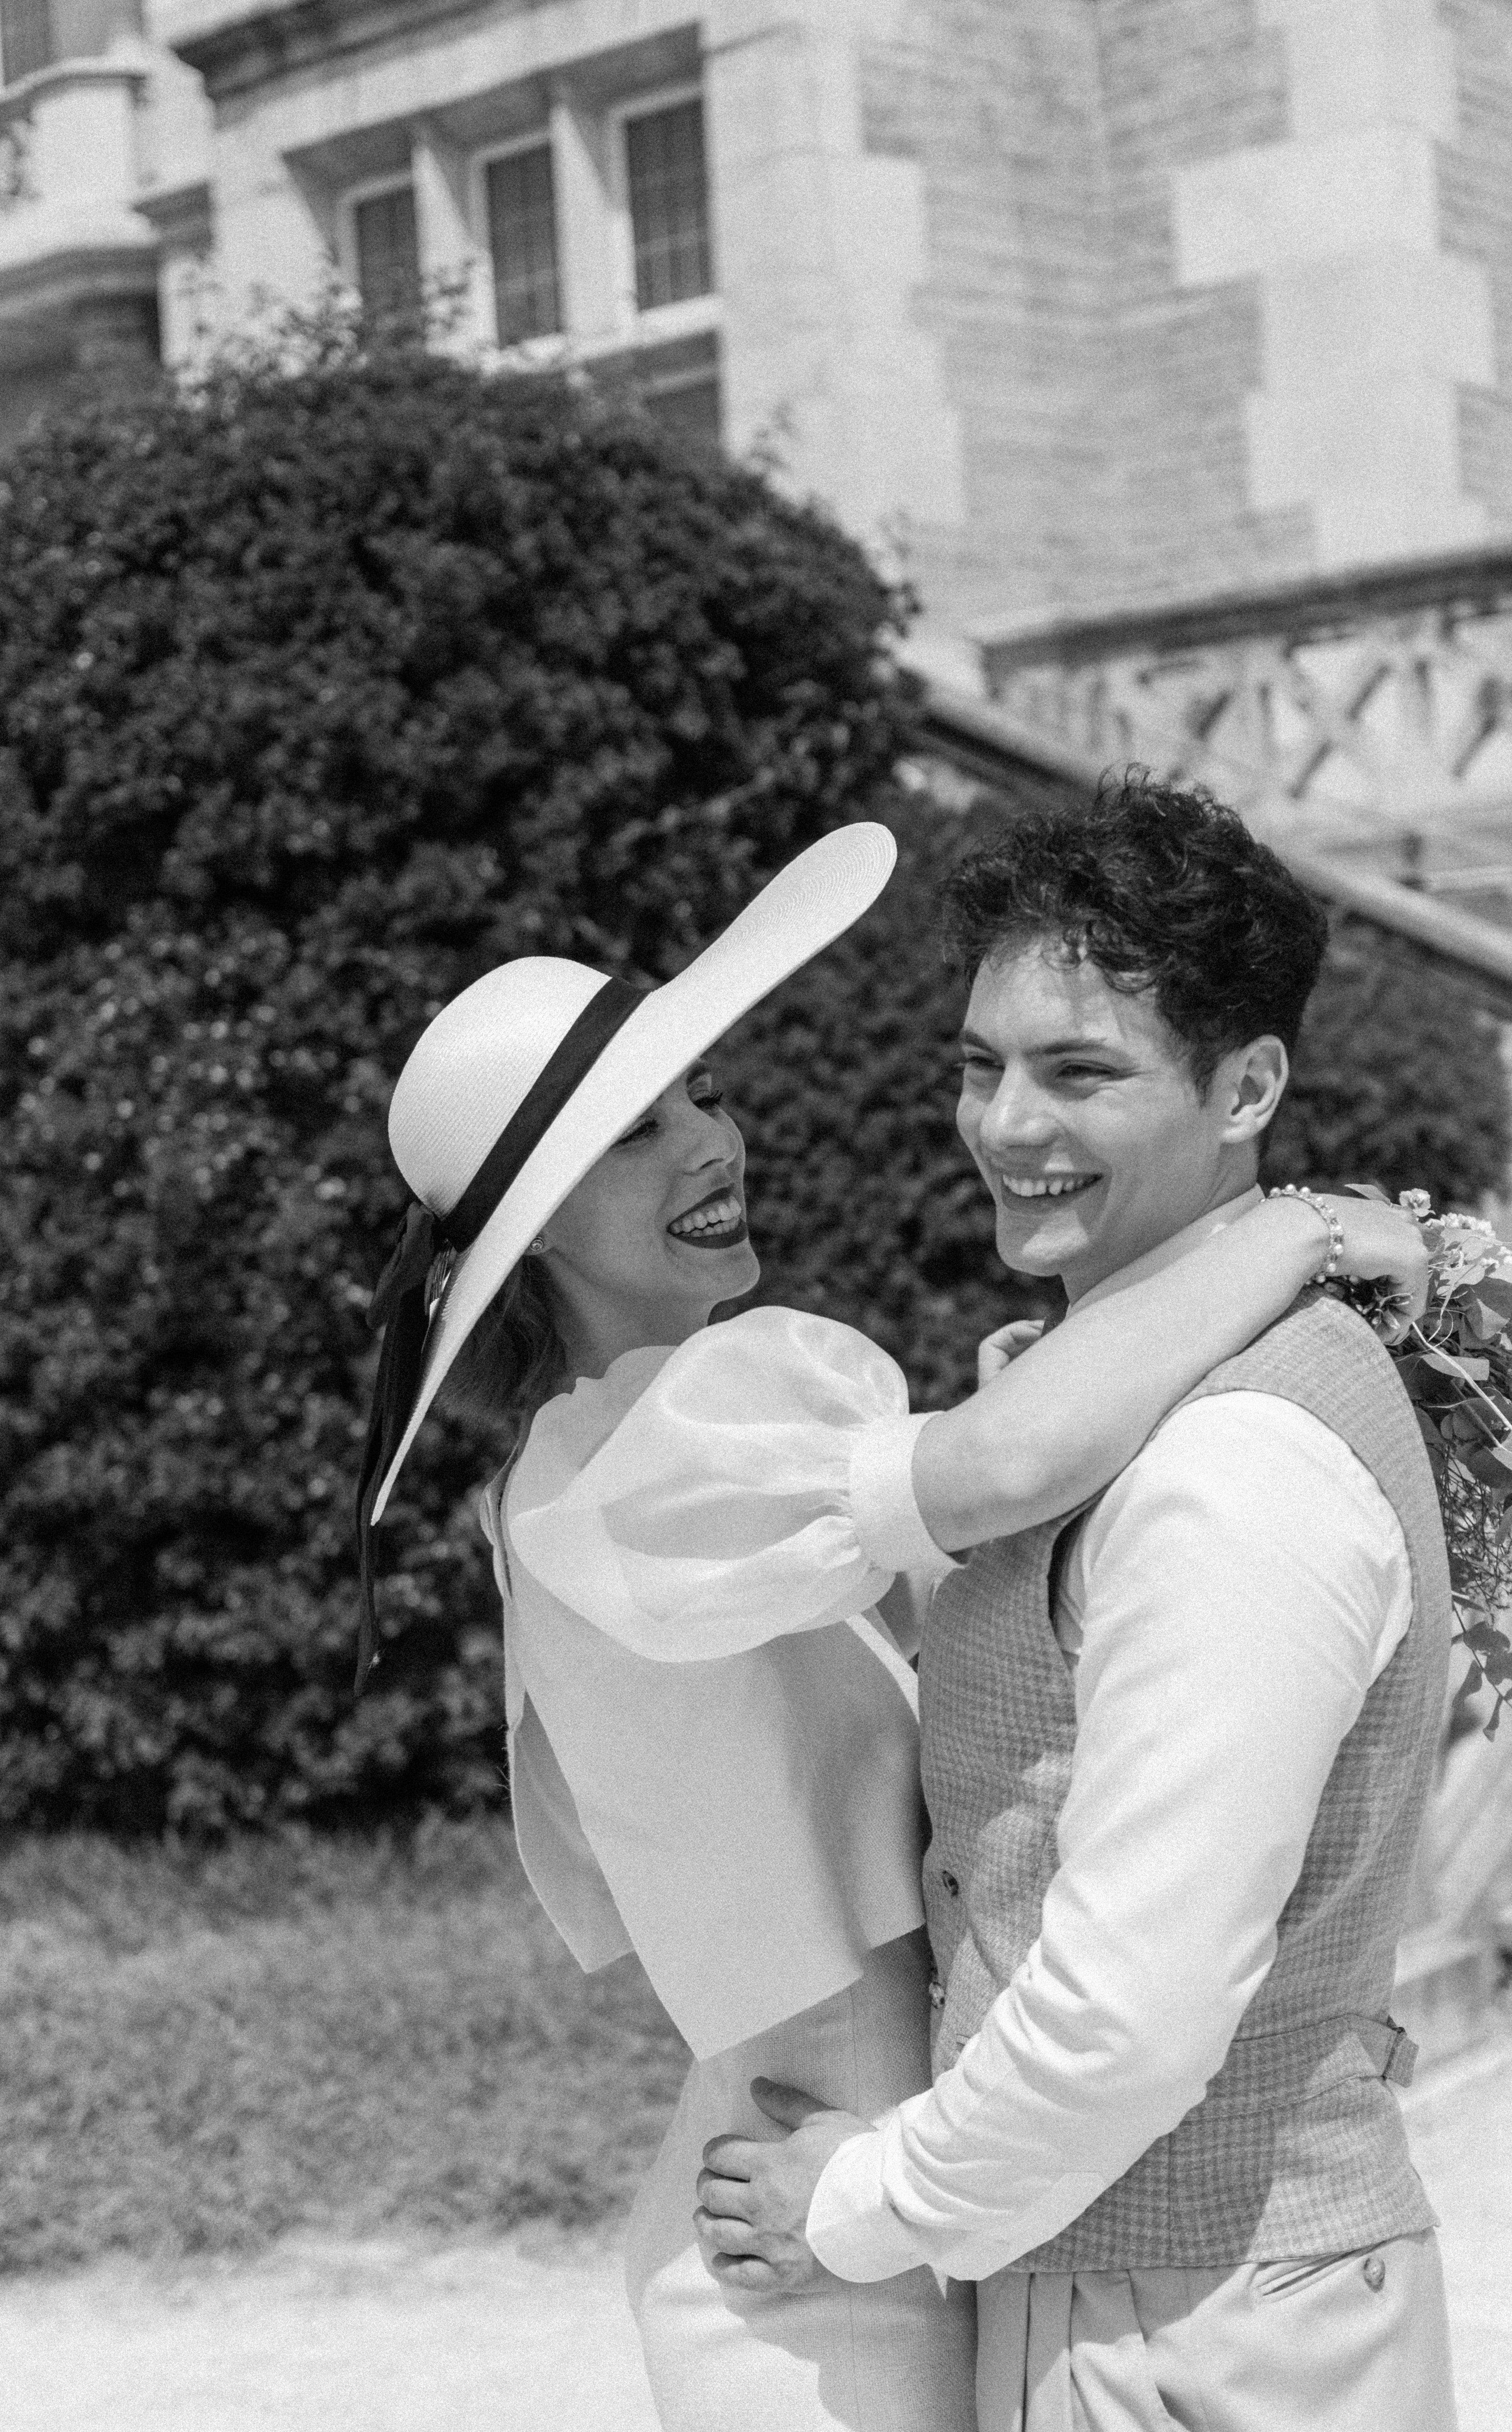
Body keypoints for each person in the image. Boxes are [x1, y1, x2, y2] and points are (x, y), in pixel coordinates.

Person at [358, 822, 1428, 2432]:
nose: (711, 1143)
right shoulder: (647, 1460)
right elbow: (1005, 1471)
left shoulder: (680, 1442)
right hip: (822, 2219)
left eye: (701, 1095)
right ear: (533, 1240)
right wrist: (1292, 1231)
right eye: (636, 1139)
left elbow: (1015, 1641)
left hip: (888, 2185)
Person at [694, 781, 1459, 2432]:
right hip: (1179, 2299)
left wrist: (857, 2199)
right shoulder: (1144, 1395)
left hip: (1198, 2326)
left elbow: (1129, 2014)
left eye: (1081, 1072)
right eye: (982, 1067)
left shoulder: (1232, 1470)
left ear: (1248, 1086)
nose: (1006, 1128)